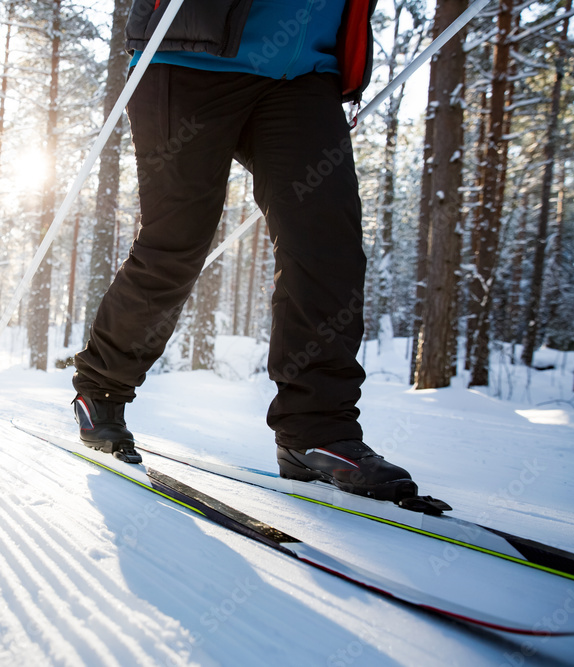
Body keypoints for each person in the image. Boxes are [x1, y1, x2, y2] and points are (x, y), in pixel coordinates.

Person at [72, 0, 420, 503]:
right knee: (176, 243)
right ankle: (101, 388)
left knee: (326, 247)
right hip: (189, 58)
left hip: (306, 74)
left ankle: (316, 432)